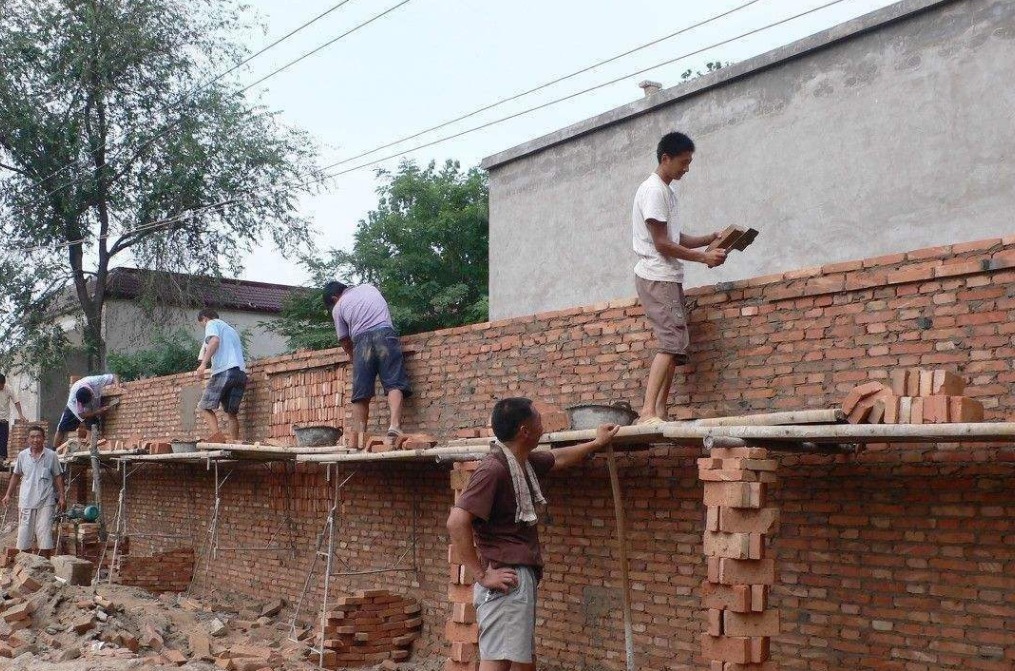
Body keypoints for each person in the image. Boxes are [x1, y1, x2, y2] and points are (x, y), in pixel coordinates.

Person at [446, 398, 619, 671]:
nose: (544, 424)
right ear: (524, 431)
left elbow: (558, 458)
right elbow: (457, 521)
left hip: (517, 578)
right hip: (505, 578)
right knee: (498, 660)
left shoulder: (521, 462)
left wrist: (596, 444)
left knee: (522, 660)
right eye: (539, 419)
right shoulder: (494, 469)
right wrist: (481, 575)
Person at [632, 131, 727, 425]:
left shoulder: (667, 192)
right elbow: (662, 243)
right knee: (670, 342)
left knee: (676, 346)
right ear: (666, 159)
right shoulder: (653, 191)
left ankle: (660, 411)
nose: (687, 168)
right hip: (656, 276)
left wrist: (707, 239)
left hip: (668, 277)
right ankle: (647, 411)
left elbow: (675, 237)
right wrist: (703, 258)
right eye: (683, 162)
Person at [322, 281, 411, 448]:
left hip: (362, 342)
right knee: (394, 382)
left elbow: (344, 340)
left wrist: (352, 357)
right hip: (385, 335)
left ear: (334, 298)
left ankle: (359, 437)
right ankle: (394, 427)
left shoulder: (338, 306)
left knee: (361, 392)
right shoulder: (369, 287)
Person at [2, 425, 65, 558]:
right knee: (24, 537)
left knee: (45, 536)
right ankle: (27, 567)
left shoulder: (51, 455)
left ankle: (44, 567)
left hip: (46, 501)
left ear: (43, 439)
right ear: (28, 440)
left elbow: (58, 476)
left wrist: (62, 497)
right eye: (32, 437)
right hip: (26, 501)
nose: (35, 439)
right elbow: (16, 475)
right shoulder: (22, 456)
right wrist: (8, 494)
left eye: (38, 437)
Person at [195, 309, 247, 440]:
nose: (204, 327)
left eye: (202, 324)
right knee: (231, 413)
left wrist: (203, 365)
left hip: (224, 371)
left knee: (204, 406)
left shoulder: (212, 323)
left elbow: (214, 341)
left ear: (205, 319)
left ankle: (218, 439)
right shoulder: (231, 330)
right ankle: (234, 444)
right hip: (240, 374)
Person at [52, 373, 119, 449]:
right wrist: (98, 411)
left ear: (91, 393)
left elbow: (114, 376)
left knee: (93, 422)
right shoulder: (77, 399)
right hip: (73, 408)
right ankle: (54, 449)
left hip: (93, 404)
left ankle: (89, 444)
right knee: (62, 428)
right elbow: (82, 415)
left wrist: (117, 388)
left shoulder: (96, 381)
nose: (86, 406)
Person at [0, 373, 28, 461]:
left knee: (3, 440)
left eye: (2, 385)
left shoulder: (8, 389)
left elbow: (16, 402)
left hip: (4, 418)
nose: (1, 387)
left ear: (4, 383)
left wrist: (20, 414)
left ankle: (2, 459)